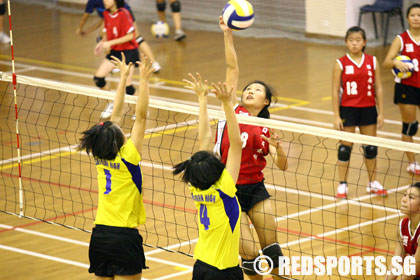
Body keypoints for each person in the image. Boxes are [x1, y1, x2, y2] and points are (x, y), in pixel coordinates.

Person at [217, 16, 288, 279]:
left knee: (273, 252)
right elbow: (231, 68)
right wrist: (228, 34)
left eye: (257, 90)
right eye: (248, 88)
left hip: (256, 189)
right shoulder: (232, 110)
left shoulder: (266, 129)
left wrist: (279, 148)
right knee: (249, 259)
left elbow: (283, 165)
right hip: (228, 189)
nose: (249, 91)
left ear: (266, 101)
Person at [78, 53, 154, 279]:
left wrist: (122, 78)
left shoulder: (99, 154)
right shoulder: (128, 156)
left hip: (99, 235)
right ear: (118, 139)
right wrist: (144, 80)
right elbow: (140, 118)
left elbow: (117, 114)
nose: (120, 127)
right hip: (123, 237)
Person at [174, 74, 243, 280]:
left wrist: (202, 99)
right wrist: (227, 104)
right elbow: (236, 143)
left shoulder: (195, 184)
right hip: (224, 270)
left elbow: (204, 139)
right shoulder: (225, 188)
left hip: (201, 266)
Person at [332, 26, 387, 199]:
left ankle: (373, 182)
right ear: (346, 42)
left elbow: (378, 87)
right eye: (351, 40)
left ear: (364, 42)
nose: (354, 44)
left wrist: (381, 112)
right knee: (344, 149)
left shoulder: (372, 61)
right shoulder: (340, 63)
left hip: (368, 108)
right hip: (348, 109)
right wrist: (336, 115)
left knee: (370, 148)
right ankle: (343, 184)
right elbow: (334, 91)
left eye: (358, 40)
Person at [383, 3, 420, 176]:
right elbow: (386, 62)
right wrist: (396, 62)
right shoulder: (401, 39)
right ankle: (412, 163)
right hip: (406, 88)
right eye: (413, 15)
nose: (416, 18)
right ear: (407, 18)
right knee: (410, 126)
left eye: (419, 15)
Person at [94, 0, 146, 119]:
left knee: (128, 88)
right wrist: (101, 43)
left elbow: (131, 36)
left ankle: (140, 110)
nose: (104, 1)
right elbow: (108, 33)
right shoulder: (106, 14)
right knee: (98, 79)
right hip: (115, 52)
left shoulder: (124, 13)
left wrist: (110, 43)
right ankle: (112, 103)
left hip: (128, 52)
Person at [76, 0, 161, 73]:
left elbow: (84, 18)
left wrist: (80, 28)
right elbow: (102, 20)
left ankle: (154, 62)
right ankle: (115, 63)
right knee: (104, 37)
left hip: (124, 13)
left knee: (137, 37)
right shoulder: (94, 3)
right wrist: (87, 31)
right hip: (110, 16)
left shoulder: (121, 10)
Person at [384, 182, 420, 280]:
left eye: (411, 198)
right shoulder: (402, 225)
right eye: (404, 195)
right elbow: (396, 264)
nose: (404, 200)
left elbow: (412, 272)